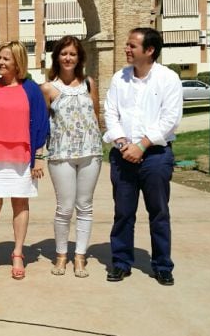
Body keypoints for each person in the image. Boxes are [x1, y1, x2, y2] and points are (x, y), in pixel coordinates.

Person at [103, 27, 183, 286]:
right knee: (123, 212)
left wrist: (143, 145)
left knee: (158, 212)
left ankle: (162, 265)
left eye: (132, 46)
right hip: (122, 154)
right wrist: (124, 142)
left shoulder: (168, 79)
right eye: (127, 45)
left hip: (156, 156)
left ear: (149, 51)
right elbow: (110, 113)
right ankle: (121, 262)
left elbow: (170, 119)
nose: (126, 49)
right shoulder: (119, 78)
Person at [0, 41, 49, 280]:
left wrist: (38, 157)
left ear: (18, 62)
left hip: (23, 156)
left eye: (6, 59)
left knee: (20, 204)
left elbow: (41, 123)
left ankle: (17, 253)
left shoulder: (31, 89)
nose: (0, 62)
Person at [40, 36, 102, 278]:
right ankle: (61, 255)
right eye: (64, 53)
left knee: (85, 207)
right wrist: (37, 154)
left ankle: (80, 256)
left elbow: (96, 116)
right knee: (64, 208)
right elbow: (41, 124)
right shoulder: (48, 88)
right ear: (57, 57)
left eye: (73, 54)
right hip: (61, 154)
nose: (68, 58)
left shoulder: (89, 83)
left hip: (90, 153)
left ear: (79, 58)